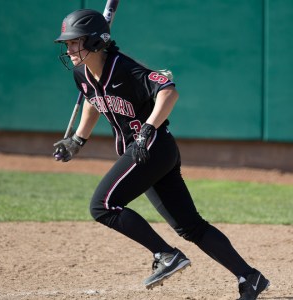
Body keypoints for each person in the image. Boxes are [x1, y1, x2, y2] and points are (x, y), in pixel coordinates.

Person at [52, 9, 269, 300]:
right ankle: (250, 277)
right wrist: (78, 140)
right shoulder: (82, 74)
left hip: (151, 147)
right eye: (66, 43)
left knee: (102, 206)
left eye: (73, 42)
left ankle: (165, 255)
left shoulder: (125, 68)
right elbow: (93, 101)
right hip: (149, 153)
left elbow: (168, 91)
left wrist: (147, 129)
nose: (69, 48)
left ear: (93, 41)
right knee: (190, 226)